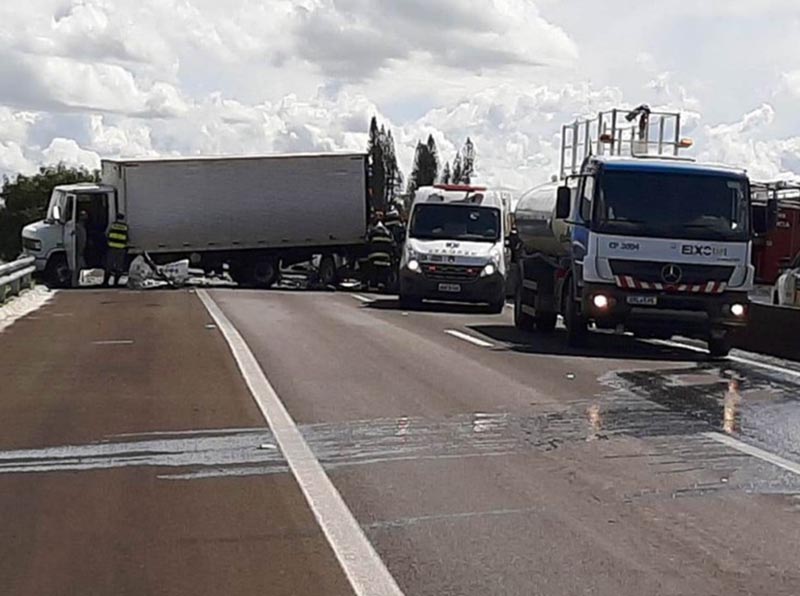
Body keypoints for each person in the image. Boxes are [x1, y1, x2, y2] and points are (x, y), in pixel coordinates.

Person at [366, 213, 395, 290]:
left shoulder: (372, 231)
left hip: (374, 258)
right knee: (382, 274)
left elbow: (367, 242)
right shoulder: (388, 232)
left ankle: (373, 284)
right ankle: (381, 284)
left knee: (373, 272)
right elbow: (392, 244)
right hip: (385, 259)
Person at [104, 213, 129, 287]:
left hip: (112, 248)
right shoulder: (125, 227)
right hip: (121, 248)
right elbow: (127, 238)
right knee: (119, 267)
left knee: (109, 266)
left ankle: (106, 282)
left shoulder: (113, 225)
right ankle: (116, 282)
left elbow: (107, 234)